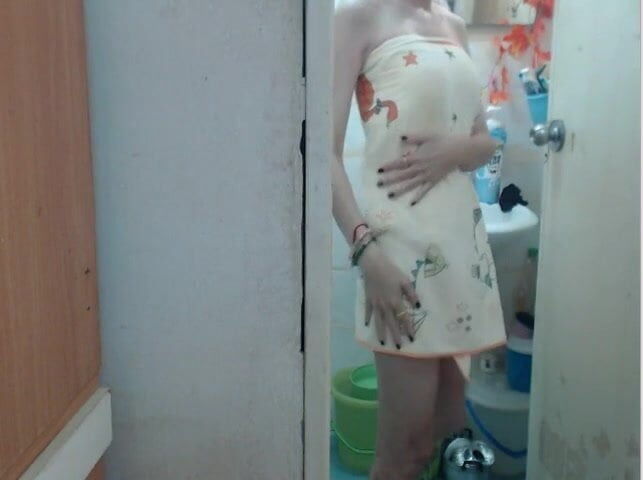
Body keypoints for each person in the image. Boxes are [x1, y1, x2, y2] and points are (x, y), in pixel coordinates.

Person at [332, 1, 507, 478]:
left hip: (461, 250)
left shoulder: (453, 25)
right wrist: (366, 252)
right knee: (403, 452)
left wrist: (455, 150)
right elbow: (322, 155)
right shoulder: (357, 19)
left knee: (442, 441)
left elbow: (484, 141)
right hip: (398, 256)